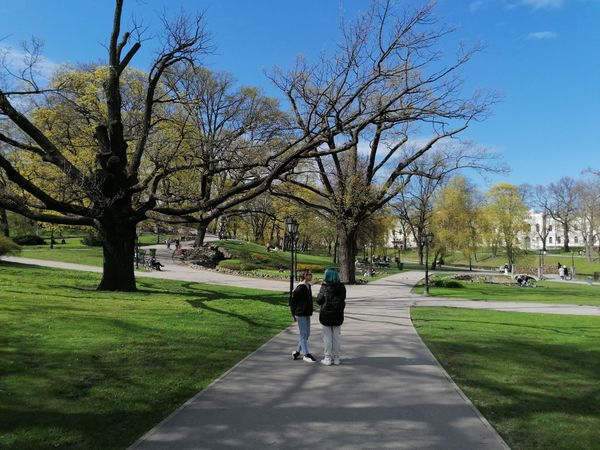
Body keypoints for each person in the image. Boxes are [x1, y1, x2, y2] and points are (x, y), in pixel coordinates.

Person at [317, 268, 346, 366]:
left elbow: (319, 300)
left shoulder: (324, 287)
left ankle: (327, 357)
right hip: (337, 314)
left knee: (327, 337)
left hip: (326, 314)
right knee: (337, 336)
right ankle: (337, 358)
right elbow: (343, 299)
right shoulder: (342, 287)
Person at [290, 270, 316, 363]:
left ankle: (297, 352)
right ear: (304, 276)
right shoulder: (299, 288)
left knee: (307, 334)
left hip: (307, 313)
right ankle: (306, 354)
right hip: (300, 313)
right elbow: (293, 302)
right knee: (303, 334)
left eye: (310, 274)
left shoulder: (308, 286)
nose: (311, 276)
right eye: (309, 274)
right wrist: (293, 314)